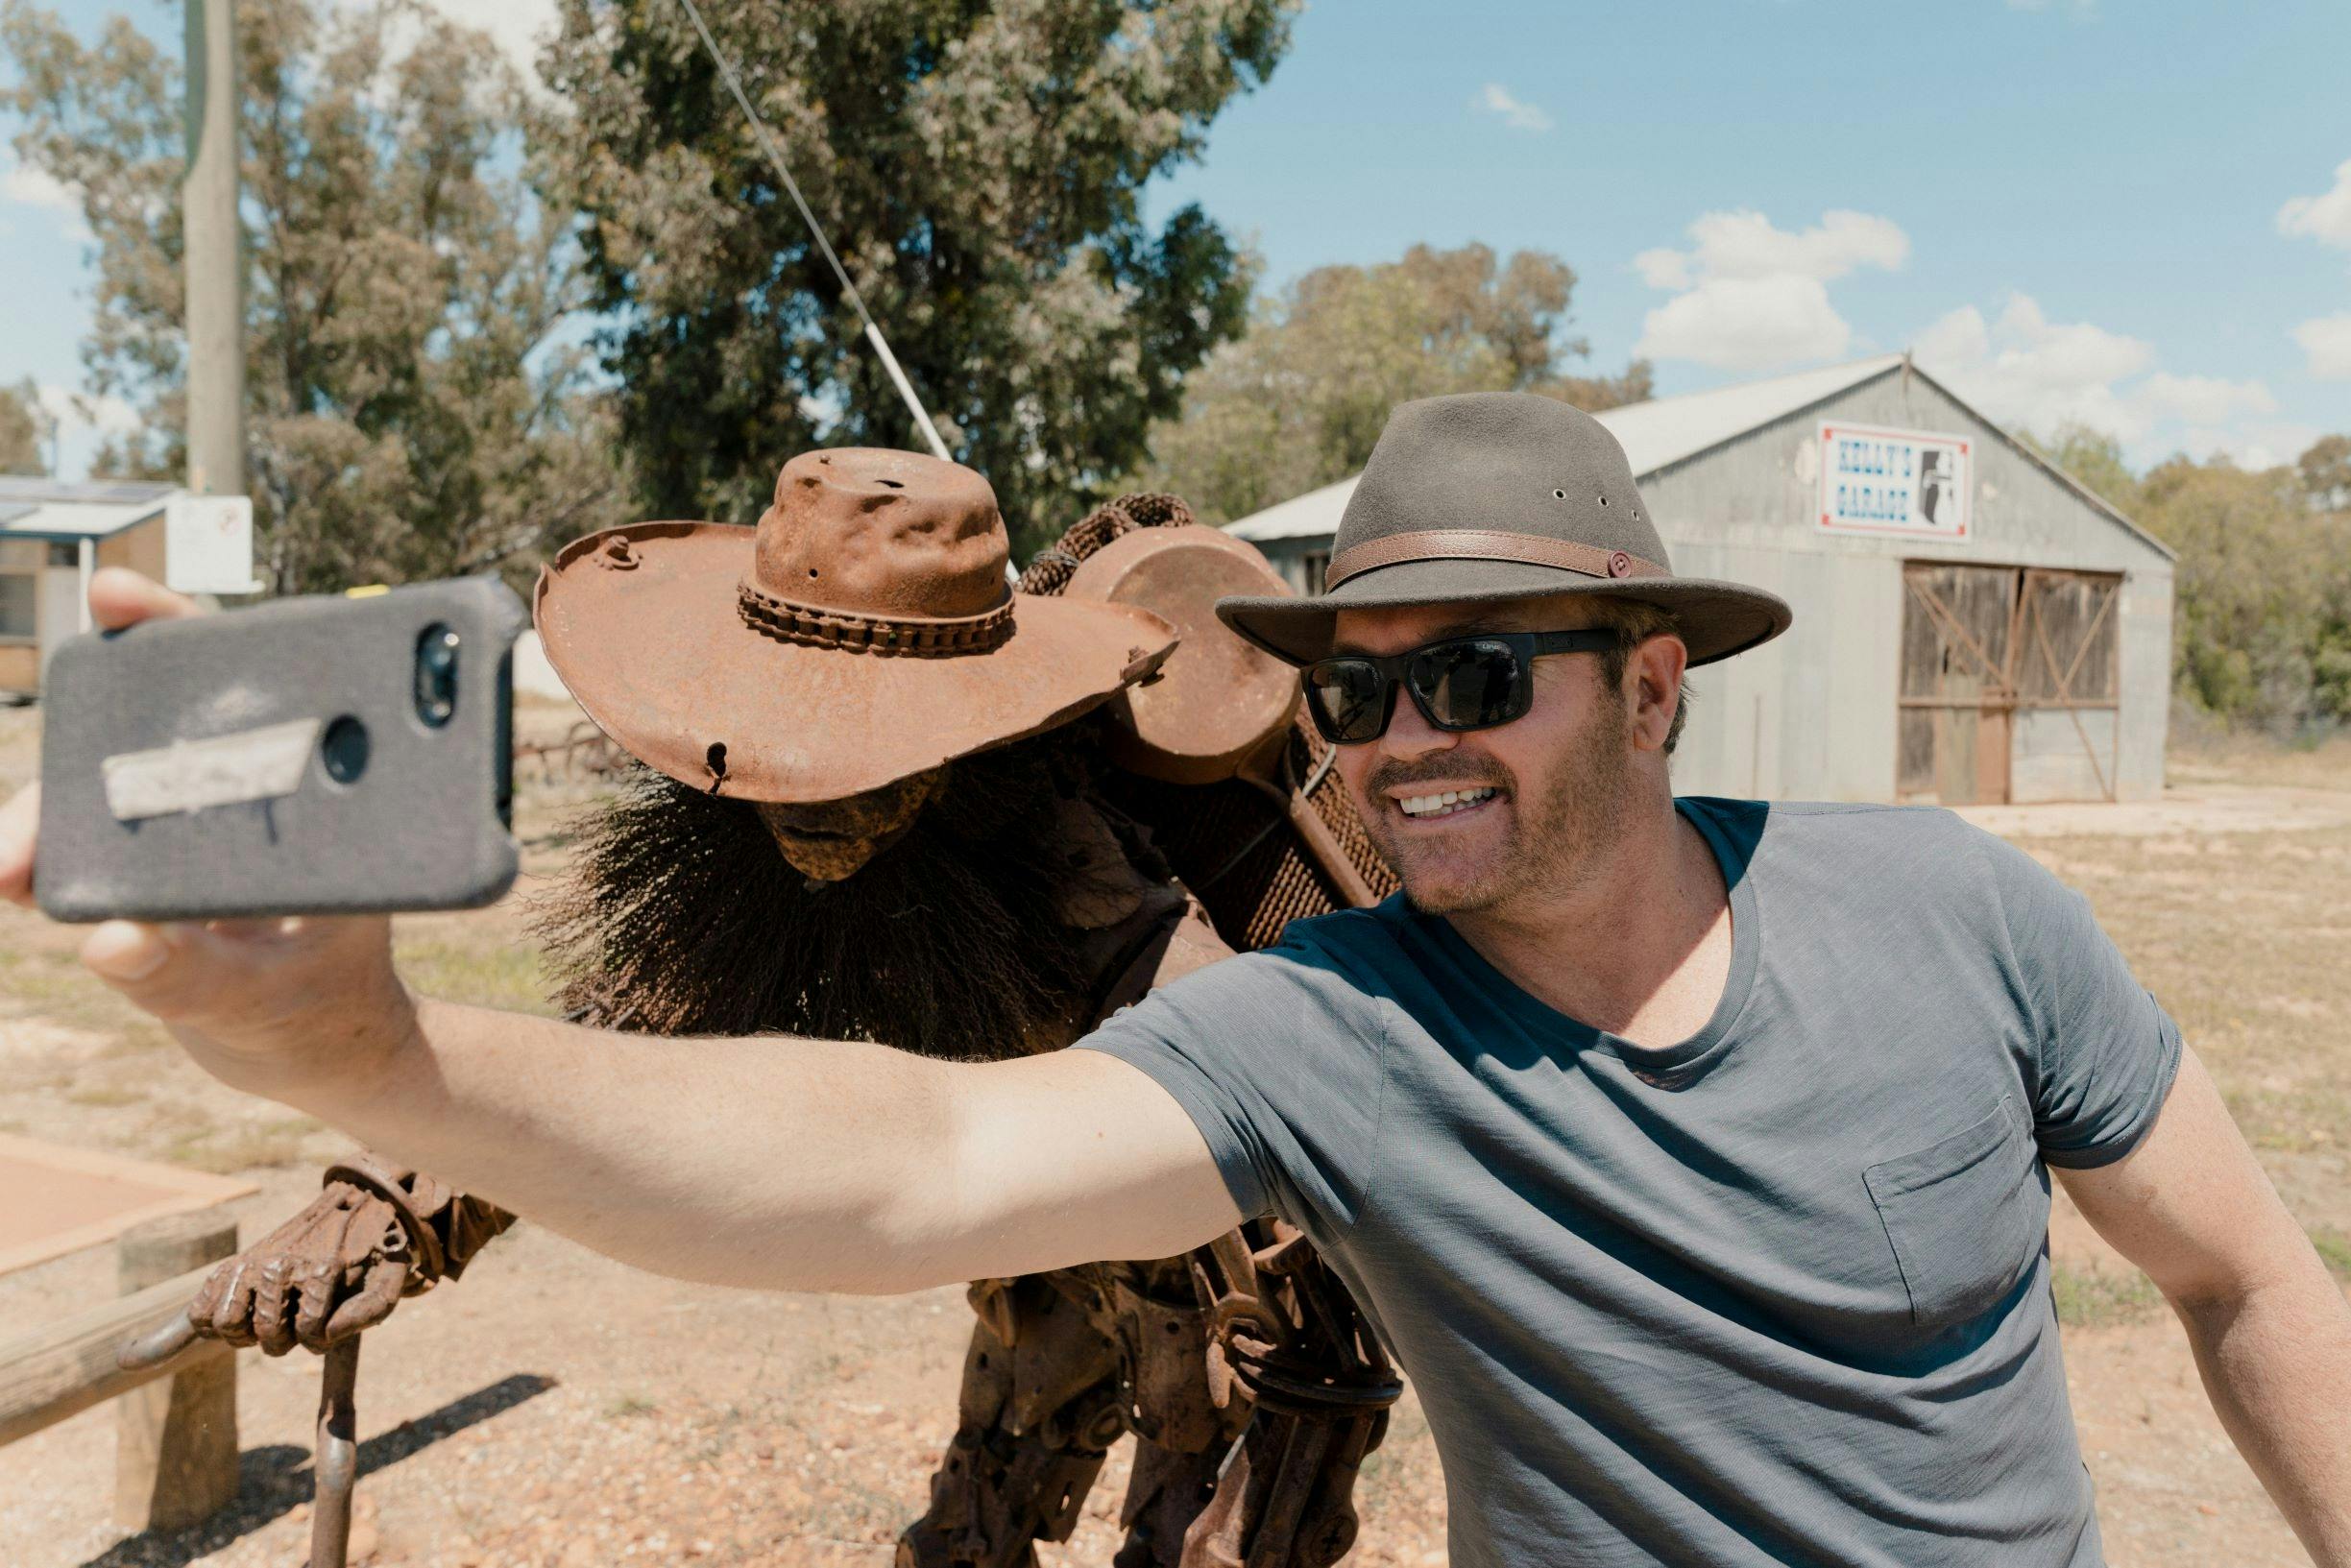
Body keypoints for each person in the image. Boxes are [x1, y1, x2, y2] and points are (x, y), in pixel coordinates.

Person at [7, 395, 2346, 1567]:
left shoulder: (1951, 913)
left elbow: (2247, 1272)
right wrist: (382, 1111)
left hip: (1255, 1303)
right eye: (1359, 686)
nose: (1407, 736)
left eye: (1482, 676)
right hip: (1072, 1229)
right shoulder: (1351, 1033)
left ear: (1656, 684)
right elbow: (880, 1141)